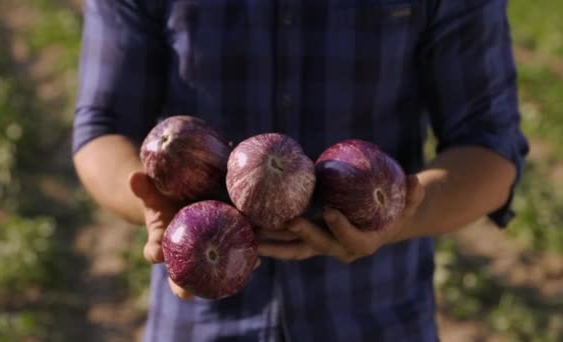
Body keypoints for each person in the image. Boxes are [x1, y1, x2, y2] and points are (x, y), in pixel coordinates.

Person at [71, 0, 528, 341]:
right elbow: (103, 127)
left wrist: (398, 218)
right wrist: (157, 210)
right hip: (200, 319)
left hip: (377, 318)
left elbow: (490, 144)